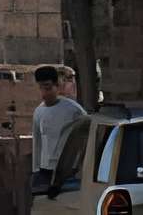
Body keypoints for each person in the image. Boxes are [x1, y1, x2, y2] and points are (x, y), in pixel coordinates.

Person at [29, 64, 86, 202]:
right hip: (45, 171)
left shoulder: (74, 111)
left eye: (48, 88)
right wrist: (36, 170)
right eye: (41, 88)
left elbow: (85, 138)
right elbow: (37, 144)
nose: (44, 93)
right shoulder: (39, 112)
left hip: (68, 171)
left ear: (57, 86)